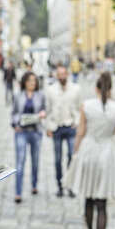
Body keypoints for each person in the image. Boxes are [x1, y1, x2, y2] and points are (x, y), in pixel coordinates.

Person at [63, 72, 115, 229]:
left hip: (89, 151)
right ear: (111, 88)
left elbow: (80, 132)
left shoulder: (86, 105)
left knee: (88, 198)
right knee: (102, 204)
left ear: (96, 88)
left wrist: (74, 156)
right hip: (106, 152)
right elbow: (113, 131)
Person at [46, 65, 81, 197]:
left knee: (72, 157)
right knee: (57, 158)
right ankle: (59, 185)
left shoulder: (76, 89)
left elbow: (78, 108)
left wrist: (76, 122)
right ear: (56, 75)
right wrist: (48, 127)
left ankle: (70, 185)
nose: (61, 77)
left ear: (67, 74)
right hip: (56, 127)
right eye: (59, 74)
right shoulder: (50, 90)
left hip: (70, 126)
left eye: (63, 74)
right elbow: (48, 110)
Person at [11, 72, 46, 203]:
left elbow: (45, 109)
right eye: (30, 80)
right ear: (24, 82)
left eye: (34, 81)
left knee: (35, 160)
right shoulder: (18, 95)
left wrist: (43, 113)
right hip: (21, 132)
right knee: (20, 161)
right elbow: (13, 113)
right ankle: (18, 192)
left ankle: (34, 184)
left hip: (36, 131)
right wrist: (15, 124)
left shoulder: (40, 95)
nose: (32, 83)